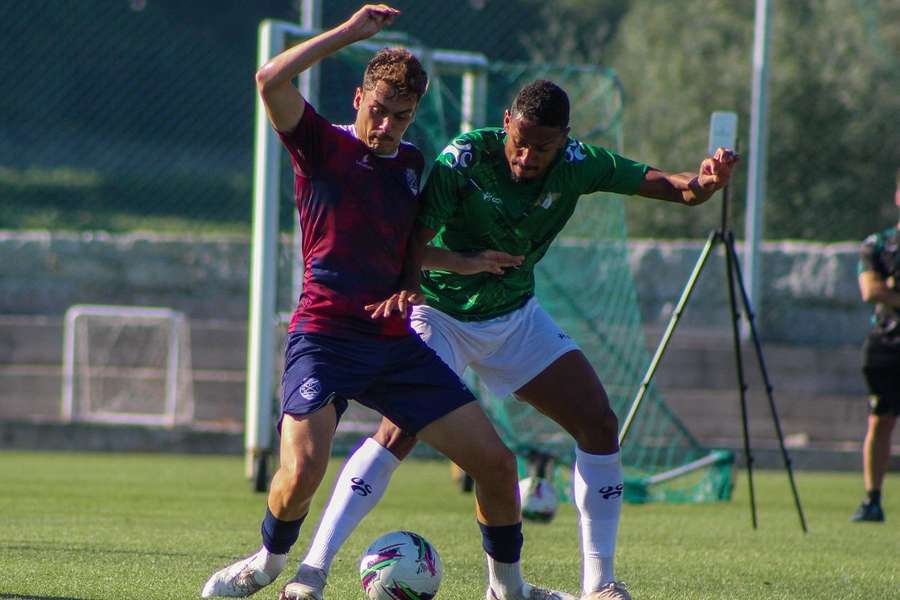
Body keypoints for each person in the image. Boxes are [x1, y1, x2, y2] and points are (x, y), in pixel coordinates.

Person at [290, 79, 737, 600]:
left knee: (598, 422)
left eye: (542, 147)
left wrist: (705, 183)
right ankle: (312, 570)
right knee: (398, 432)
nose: (526, 156)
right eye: (519, 142)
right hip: (439, 314)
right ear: (506, 121)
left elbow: (671, 186)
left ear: (564, 140)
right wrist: (410, 286)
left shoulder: (578, 163)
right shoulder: (464, 159)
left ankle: (599, 583)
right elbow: (414, 235)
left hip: (515, 317)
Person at [201, 6, 573, 600]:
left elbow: (406, 250)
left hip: (393, 343)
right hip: (323, 337)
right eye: (379, 110)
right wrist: (348, 34)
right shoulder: (321, 145)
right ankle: (270, 564)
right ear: (358, 98)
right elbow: (269, 79)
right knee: (302, 470)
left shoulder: (410, 165)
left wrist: (458, 265)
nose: (387, 125)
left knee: (499, 467)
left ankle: (510, 590)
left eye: (401, 116)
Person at [850, 168, 900, 523]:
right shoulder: (878, 244)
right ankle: (872, 500)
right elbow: (872, 290)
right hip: (888, 343)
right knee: (880, 420)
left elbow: (886, 291)